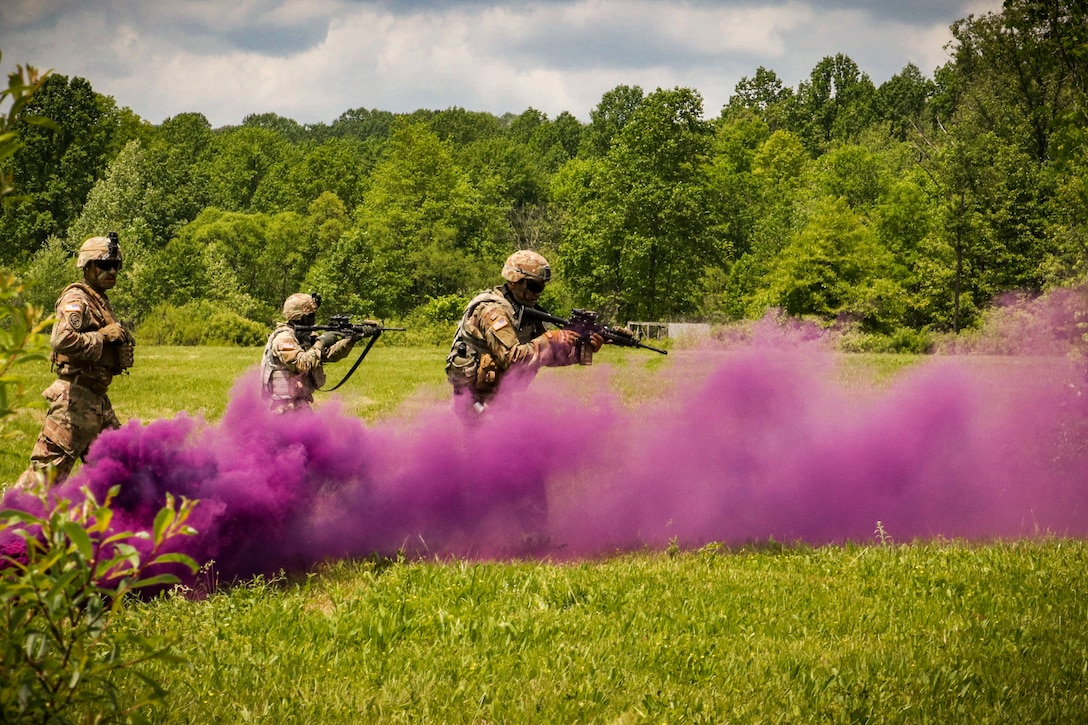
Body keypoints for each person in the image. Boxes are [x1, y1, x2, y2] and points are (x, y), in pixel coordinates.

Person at [18, 232, 135, 488]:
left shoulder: (99, 300)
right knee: (42, 484)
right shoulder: (76, 298)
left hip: (96, 402)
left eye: (116, 266)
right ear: (88, 266)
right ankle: (10, 524)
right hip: (74, 402)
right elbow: (61, 340)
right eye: (105, 265)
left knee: (123, 472)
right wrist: (103, 337)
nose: (112, 271)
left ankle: (110, 525)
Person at [445, 249, 602, 418]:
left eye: (542, 286)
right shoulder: (492, 311)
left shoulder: (522, 311)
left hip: (498, 398)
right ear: (514, 281)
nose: (538, 293)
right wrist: (550, 339)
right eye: (534, 286)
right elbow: (513, 360)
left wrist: (580, 349)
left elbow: (543, 356)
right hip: (474, 402)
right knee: (494, 440)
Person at [260, 293, 361, 413]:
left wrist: (351, 340)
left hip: (299, 403)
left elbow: (327, 355)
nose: (313, 320)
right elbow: (301, 364)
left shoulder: (304, 337)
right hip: (282, 408)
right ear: (298, 317)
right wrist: (321, 341)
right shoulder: (284, 338)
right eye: (310, 316)